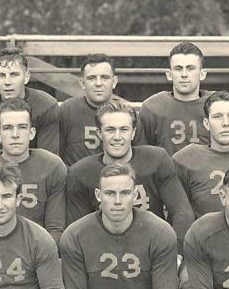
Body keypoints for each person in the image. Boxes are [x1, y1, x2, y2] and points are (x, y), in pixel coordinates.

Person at [65, 101, 194, 248]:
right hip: (104, 250)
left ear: (133, 133)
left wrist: (175, 253)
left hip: (153, 247)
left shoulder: (156, 160)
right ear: (100, 133)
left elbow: (182, 212)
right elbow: (78, 230)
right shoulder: (81, 172)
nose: (117, 136)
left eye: (124, 129)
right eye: (110, 130)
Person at [0, 98, 67, 242]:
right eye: (7, 128)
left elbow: (55, 229)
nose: (15, 134)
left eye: (22, 127)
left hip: (36, 248)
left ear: (31, 133)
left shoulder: (52, 166)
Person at [142, 41, 211, 156]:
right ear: (169, 74)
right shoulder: (152, 107)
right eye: (178, 68)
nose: (184, 74)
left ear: (202, 74)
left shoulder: (216, 104)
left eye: (190, 68)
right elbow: (143, 154)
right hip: (166, 172)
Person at [57, 54, 125, 165]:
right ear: (82, 83)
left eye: (105, 78)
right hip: (78, 179)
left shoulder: (125, 114)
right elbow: (57, 156)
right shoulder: (68, 110)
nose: (98, 84)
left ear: (114, 82)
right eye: (91, 78)